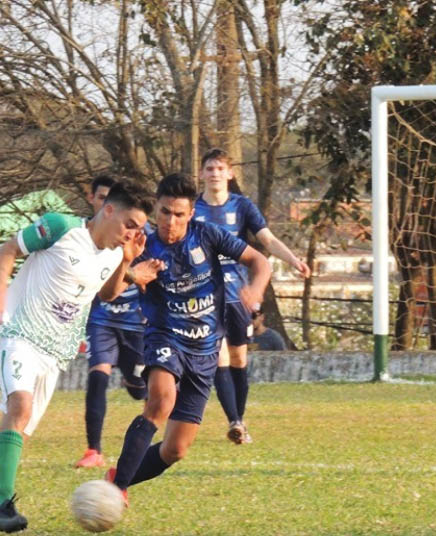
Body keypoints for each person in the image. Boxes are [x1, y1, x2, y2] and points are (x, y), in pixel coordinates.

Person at [0, 180, 159, 533]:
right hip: (17, 333)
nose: (133, 233)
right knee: (20, 407)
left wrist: (129, 266)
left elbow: (106, 294)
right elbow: (8, 249)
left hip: (55, 351)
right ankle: (4, 507)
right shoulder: (60, 227)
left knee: (7, 443)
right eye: (129, 224)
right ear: (108, 210)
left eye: (139, 228)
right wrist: (0, 294)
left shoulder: (115, 252)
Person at [104, 173, 271, 505]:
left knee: (175, 449)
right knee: (161, 401)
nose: (171, 221)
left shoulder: (207, 235)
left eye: (179, 214)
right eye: (165, 212)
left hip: (206, 349)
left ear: (191, 213)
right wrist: (128, 266)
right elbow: (108, 294)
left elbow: (260, 261)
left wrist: (255, 289)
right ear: (156, 210)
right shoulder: (141, 245)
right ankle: (118, 488)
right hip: (165, 337)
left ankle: (116, 479)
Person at [194, 148, 309, 445]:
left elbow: (267, 240)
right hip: (206, 294)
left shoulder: (242, 206)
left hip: (237, 294)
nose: (215, 173)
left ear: (230, 174)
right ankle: (234, 421)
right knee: (217, 356)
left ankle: (240, 420)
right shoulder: (193, 209)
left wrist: (294, 260)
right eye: (210, 168)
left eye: (220, 168)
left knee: (238, 358)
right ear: (202, 174)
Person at [78, 174, 150, 469]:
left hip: (135, 321)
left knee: (139, 387)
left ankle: (146, 433)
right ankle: (93, 449)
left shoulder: (137, 233)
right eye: (100, 197)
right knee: (98, 376)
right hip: (101, 319)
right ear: (95, 201)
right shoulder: (84, 238)